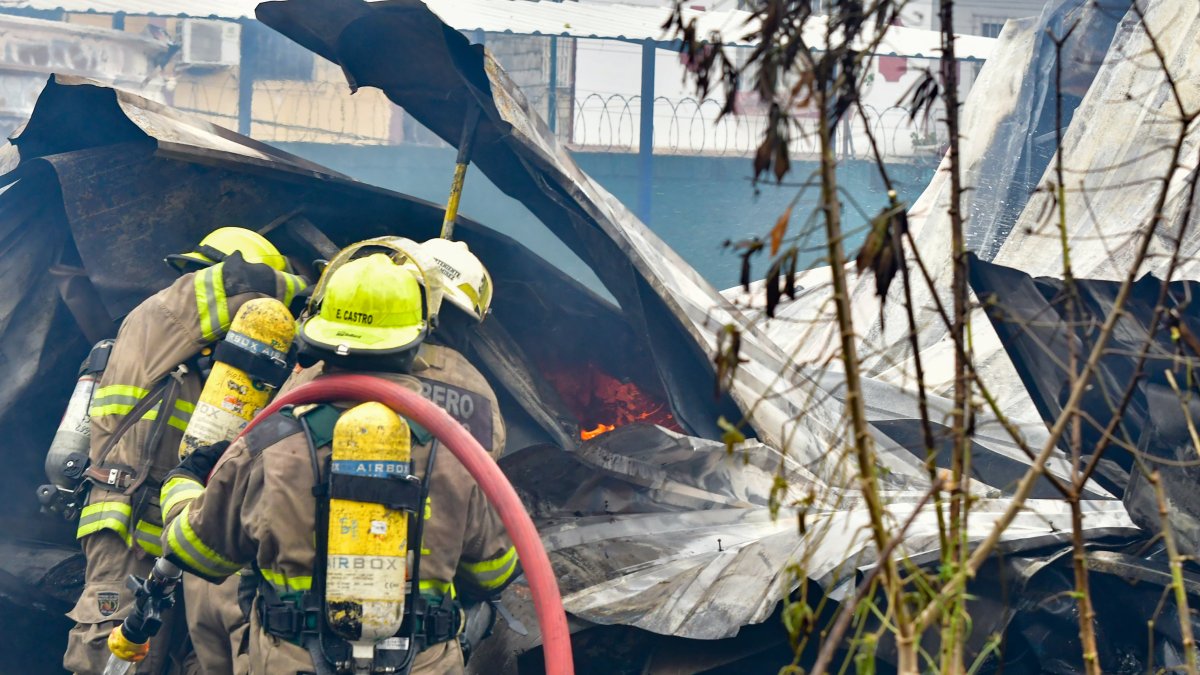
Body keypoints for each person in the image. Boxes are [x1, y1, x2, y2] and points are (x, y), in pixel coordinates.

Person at [158, 253, 519, 674]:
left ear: (319, 340)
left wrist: (183, 484)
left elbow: (197, 552)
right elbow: (494, 573)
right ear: (413, 344)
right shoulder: (459, 451)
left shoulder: (269, 442)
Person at [65, 227, 308, 675]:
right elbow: (246, 283)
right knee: (116, 654)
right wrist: (314, 285)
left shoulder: (196, 358)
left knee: (178, 655)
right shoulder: (167, 313)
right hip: (132, 524)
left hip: (174, 521)